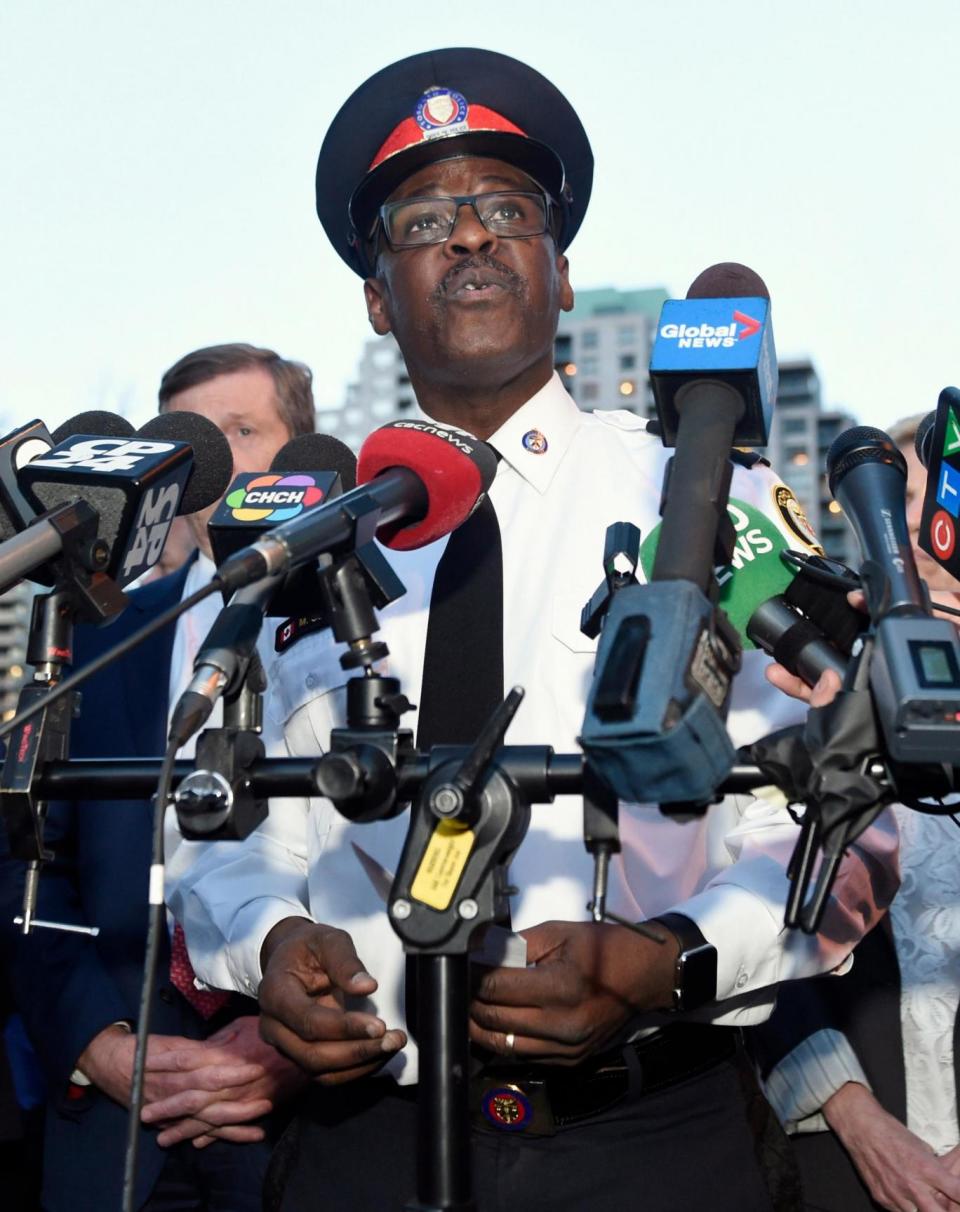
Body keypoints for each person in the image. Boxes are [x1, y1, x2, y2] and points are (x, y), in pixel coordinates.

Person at [169, 49, 899, 1212]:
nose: (467, 238)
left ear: (560, 276)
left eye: (506, 211)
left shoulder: (707, 499)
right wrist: (269, 947)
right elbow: (216, 831)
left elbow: (847, 824)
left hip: (656, 1136)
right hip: (362, 1147)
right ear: (374, 297)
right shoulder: (290, 539)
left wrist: (674, 959)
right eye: (424, 219)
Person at [0, 342, 314, 1211]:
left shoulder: (378, 625)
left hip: (312, 1113)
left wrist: (298, 1034)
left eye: (240, 431)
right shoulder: (93, 633)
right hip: (112, 1114)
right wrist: (95, 1040)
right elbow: (26, 861)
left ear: (300, 450)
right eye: (187, 440)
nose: (213, 459)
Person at [752, 413, 960, 1212]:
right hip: (849, 1153)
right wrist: (860, 1120)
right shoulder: (823, 679)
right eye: (890, 498)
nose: (911, 522)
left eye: (930, 497)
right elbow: (762, 918)